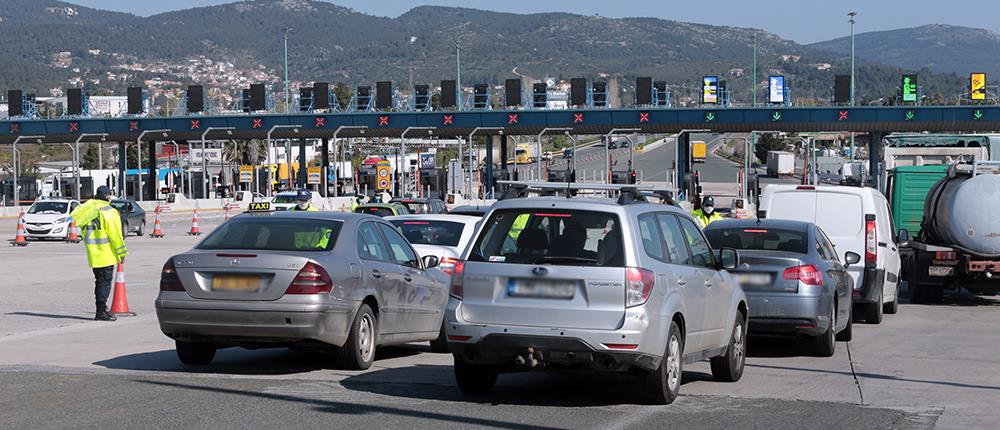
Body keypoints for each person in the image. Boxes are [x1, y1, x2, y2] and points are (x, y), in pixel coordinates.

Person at [69, 185, 127, 321]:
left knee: (99, 282)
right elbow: (115, 235)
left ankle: (101, 309)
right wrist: (122, 253)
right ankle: (101, 311)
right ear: (107, 196)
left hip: (93, 253)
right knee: (105, 283)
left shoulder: (88, 208)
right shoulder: (109, 211)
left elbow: (75, 219)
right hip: (106, 253)